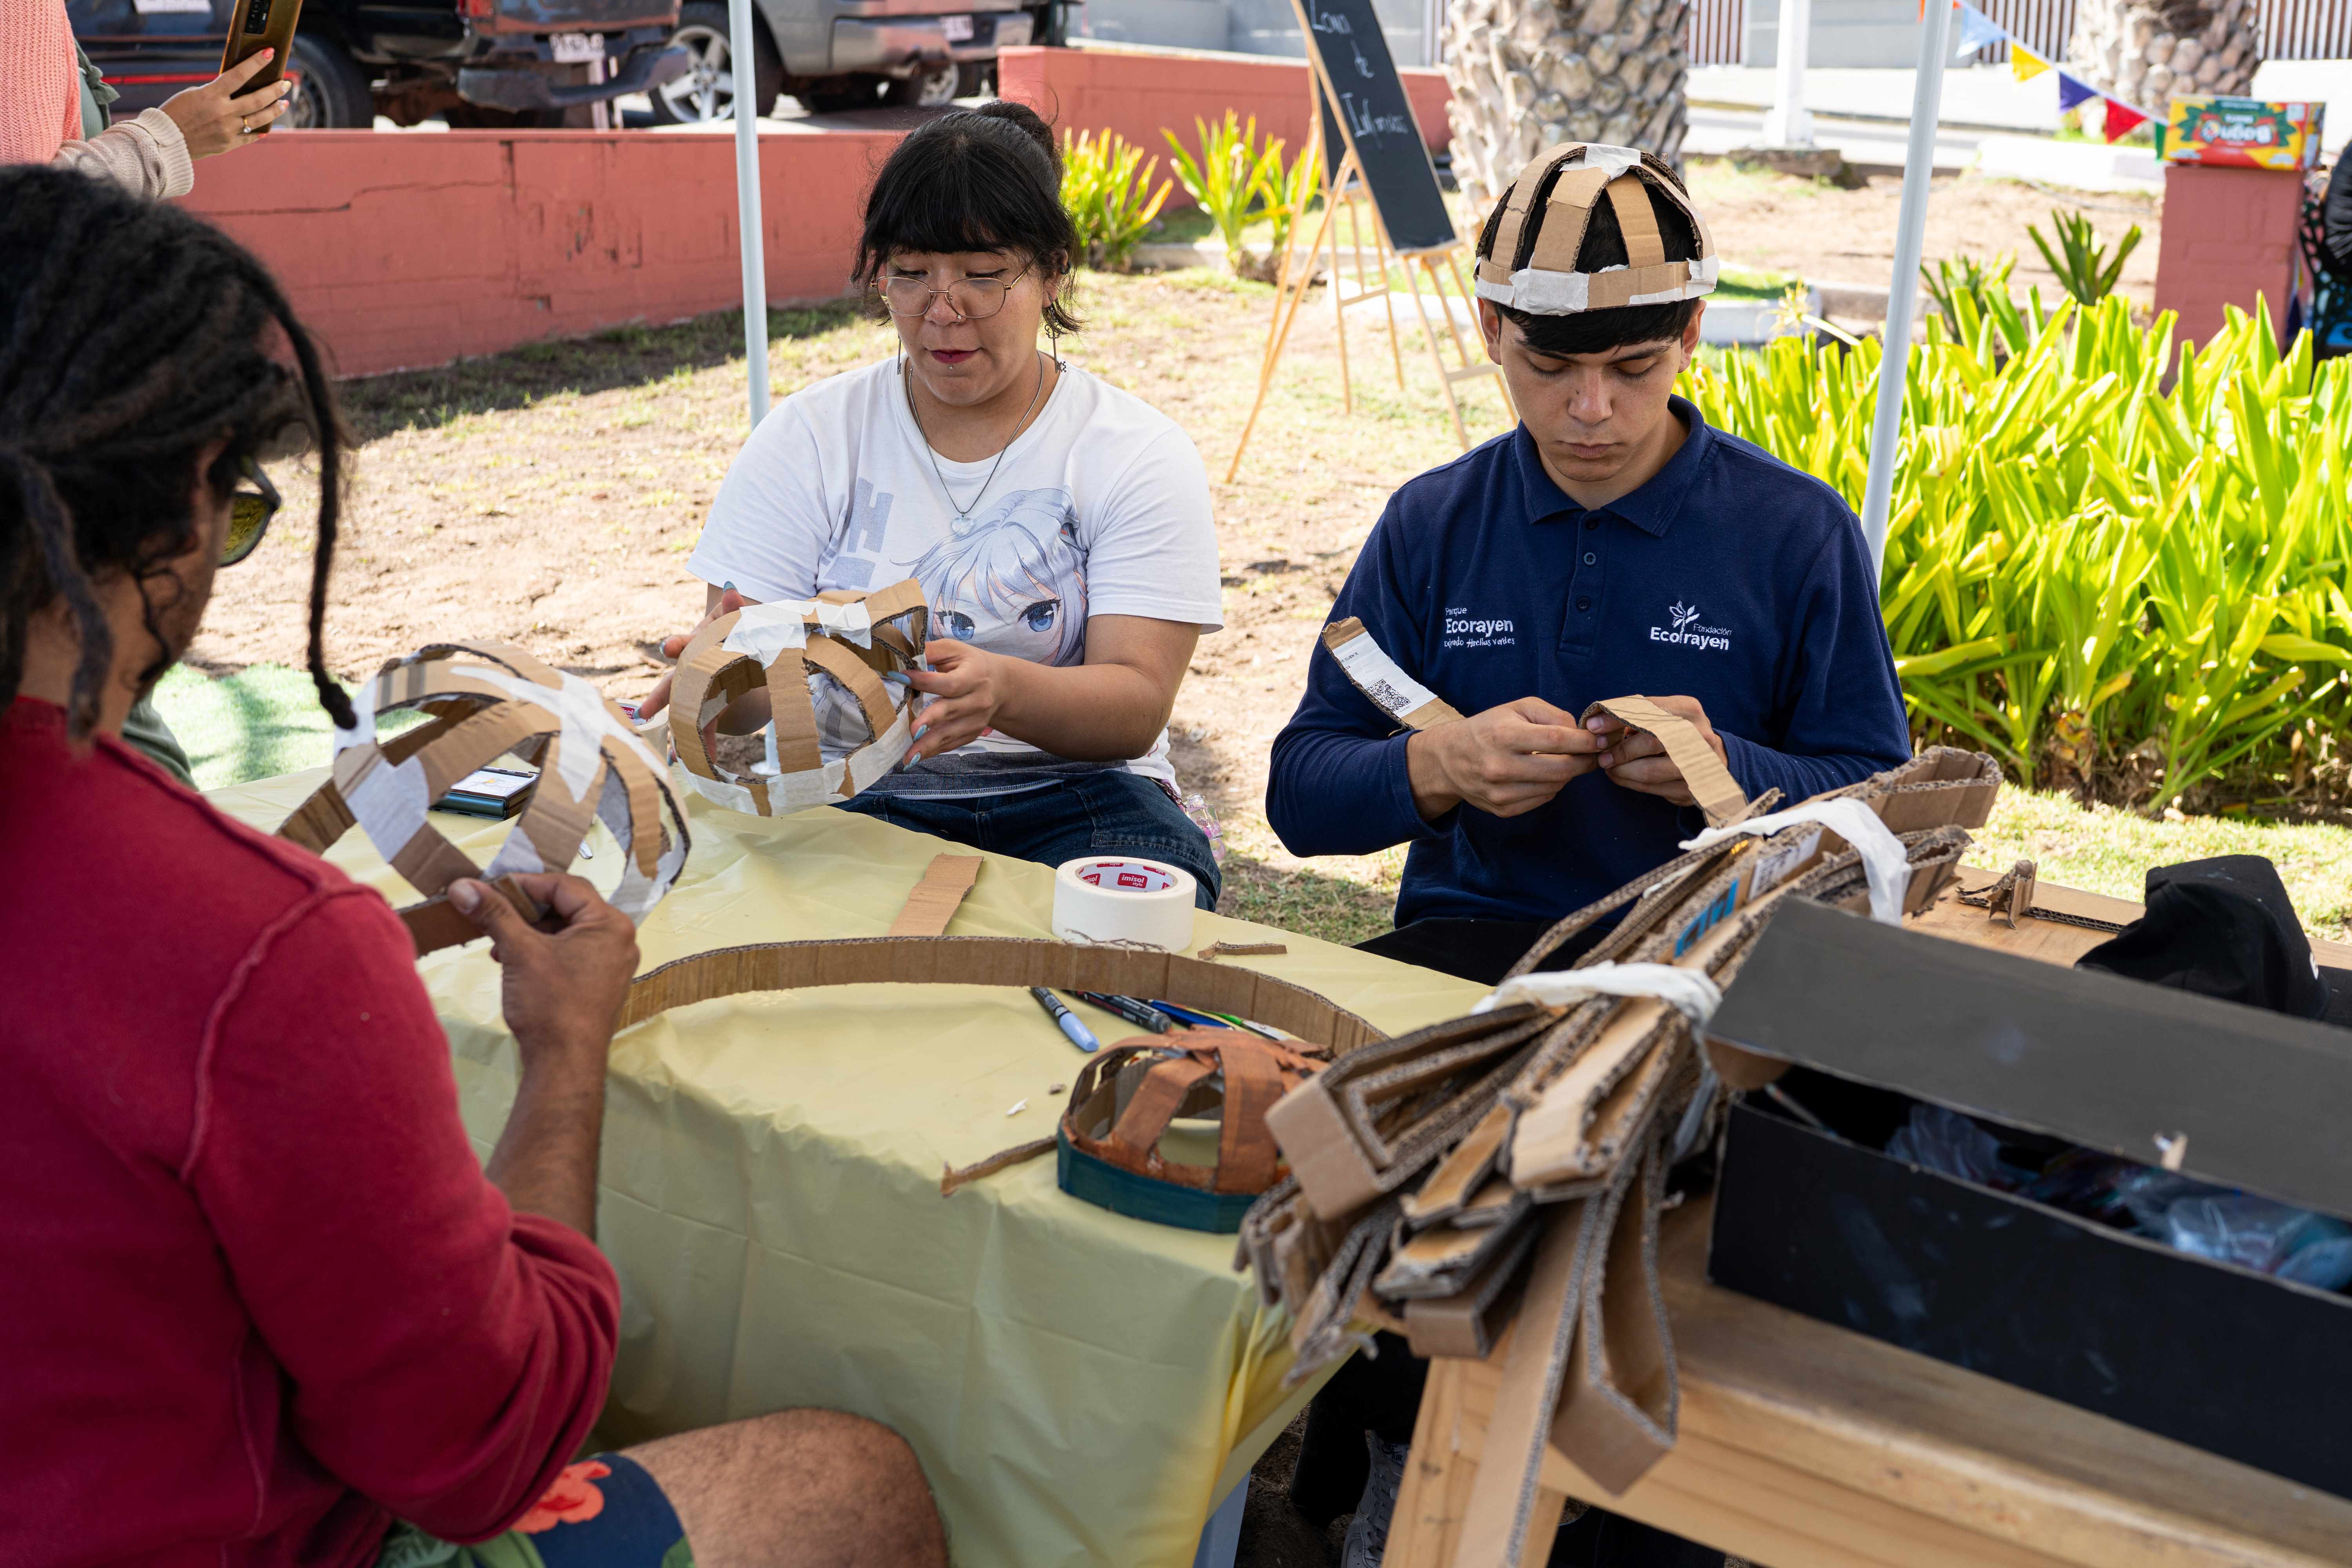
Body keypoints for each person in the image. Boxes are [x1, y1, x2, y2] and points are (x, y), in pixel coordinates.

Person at [0, 165, 949, 1568]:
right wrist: (564, 1050)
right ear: (176, 515)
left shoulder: (245, 944)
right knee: (850, 1484)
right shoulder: (254, 948)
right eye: (239, 509)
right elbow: (480, 1444)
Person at [1265, 145, 1912, 1567]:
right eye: (1549, 368)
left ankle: (1625, 1510)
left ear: (1695, 335)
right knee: (1385, 1182)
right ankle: (1404, 1462)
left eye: (1633, 366)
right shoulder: (1435, 524)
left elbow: (1888, 819)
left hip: (1709, 985)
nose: (1591, 410)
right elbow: (1300, 793)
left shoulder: (1791, 533)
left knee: (1655, 1241)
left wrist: (1732, 775)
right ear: (1492, 333)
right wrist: (1436, 768)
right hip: (1474, 974)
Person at [638, 101, 1225, 906]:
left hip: (1078, 798)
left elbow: (1136, 704)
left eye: (983, 275)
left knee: (1123, 925)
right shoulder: (811, 436)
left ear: (1052, 273)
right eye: (911, 273)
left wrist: (1005, 692)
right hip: (853, 793)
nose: (942, 310)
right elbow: (751, 715)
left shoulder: (1132, 450)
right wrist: (724, 675)